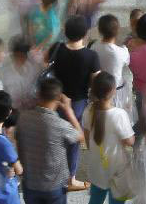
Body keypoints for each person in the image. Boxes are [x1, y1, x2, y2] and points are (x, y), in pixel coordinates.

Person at [15, 78, 86, 204]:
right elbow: (80, 137)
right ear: (59, 98)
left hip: (30, 183)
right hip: (54, 186)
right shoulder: (59, 125)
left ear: (38, 94)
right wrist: (69, 111)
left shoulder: (23, 118)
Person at [51, 15, 100, 188]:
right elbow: (96, 83)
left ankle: (55, 171)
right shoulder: (91, 56)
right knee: (73, 141)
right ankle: (70, 179)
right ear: (85, 33)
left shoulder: (57, 49)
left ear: (66, 32)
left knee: (57, 137)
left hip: (56, 100)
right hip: (78, 103)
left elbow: (46, 67)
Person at [80, 72, 135, 204]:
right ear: (112, 91)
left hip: (96, 166)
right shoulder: (119, 114)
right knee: (116, 201)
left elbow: (87, 138)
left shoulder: (88, 110)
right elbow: (130, 141)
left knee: (95, 199)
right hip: (116, 169)